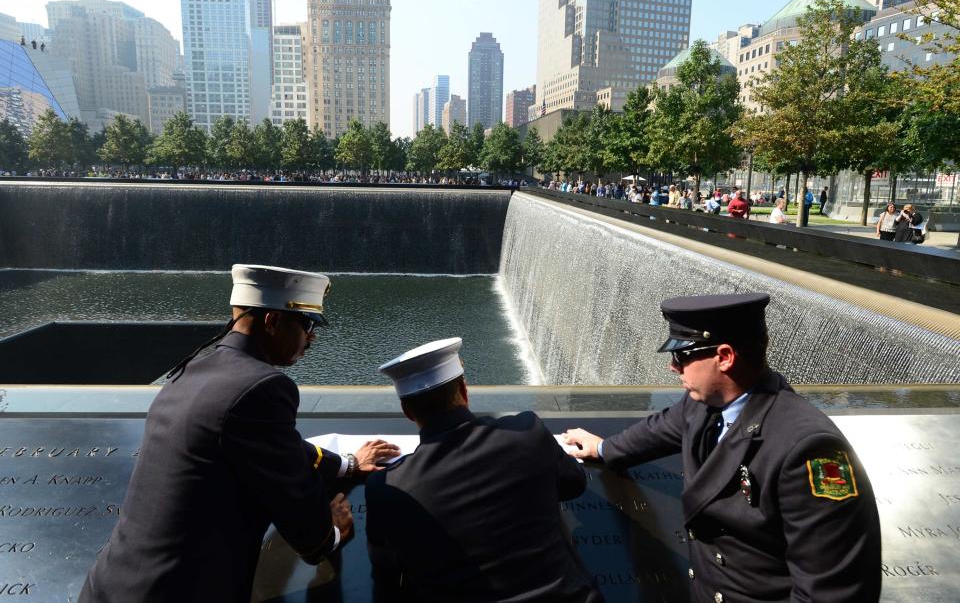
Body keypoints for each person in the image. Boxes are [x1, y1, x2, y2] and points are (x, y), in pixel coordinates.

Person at [80, 264, 400, 603]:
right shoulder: (263, 387)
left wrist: (347, 464)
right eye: (306, 324)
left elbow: (277, 445)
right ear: (272, 322)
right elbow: (302, 519)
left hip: (113, 585)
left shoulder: (192, 370)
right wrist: (332, 534)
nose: (312, 337)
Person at [562, 293, 881, 603]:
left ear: (725, 357)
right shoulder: (704, 404)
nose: (674, 367)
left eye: (682, 356)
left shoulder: (808, 450)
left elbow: (832, 591)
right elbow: (659, 429)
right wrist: (603, 449)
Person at [366, 338, 602, 603]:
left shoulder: (387, 488)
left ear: (407, 411)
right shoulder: (528, 433)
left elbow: (387, 575)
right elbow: (574, 483)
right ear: (464, 391)